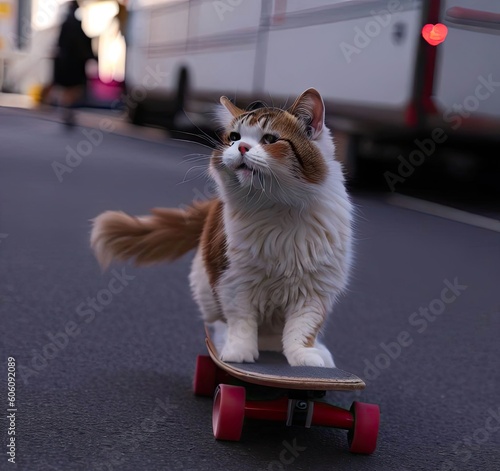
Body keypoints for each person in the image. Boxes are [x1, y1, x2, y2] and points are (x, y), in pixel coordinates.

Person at [52, 0, 96, 126]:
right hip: (74, 63)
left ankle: (68, 109)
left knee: (70, 88)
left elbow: (60, 43)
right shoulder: (75, 24)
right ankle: (68, 109)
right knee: (74, 88)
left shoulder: (67, 22)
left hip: (67, 62)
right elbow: (82, 43)